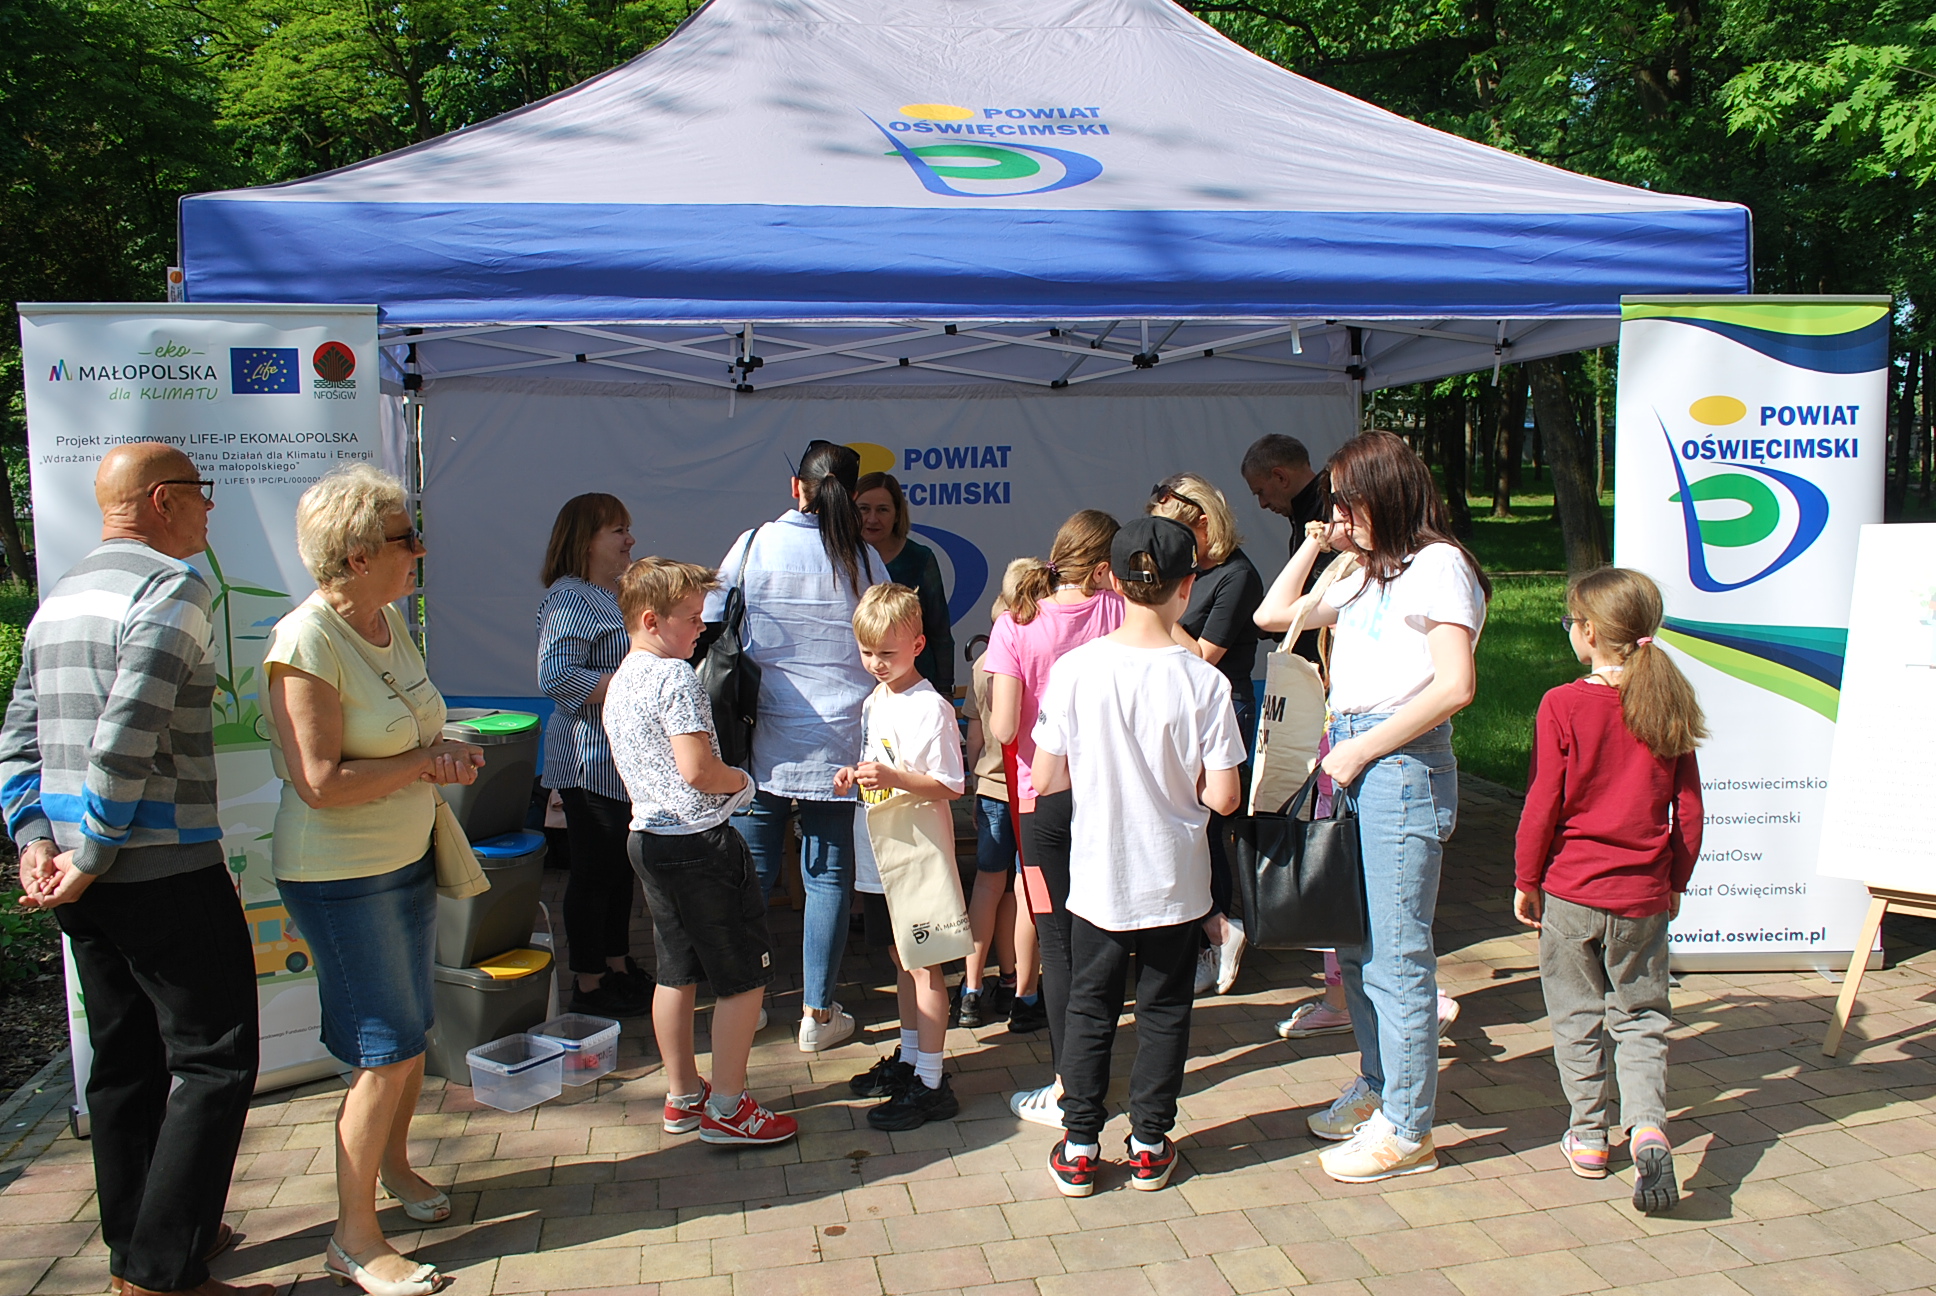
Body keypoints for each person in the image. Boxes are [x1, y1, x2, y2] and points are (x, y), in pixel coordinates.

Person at [0, 444, 268, 1296]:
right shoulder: (171, 588)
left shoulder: (60, 597)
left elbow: (17, 738)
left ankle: (144, 1242)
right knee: (216, 1059)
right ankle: (158, 1273)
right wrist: (89, 852)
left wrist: (36, 841)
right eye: (200, 493)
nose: (209, 508)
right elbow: (128, 736)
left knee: (125, 1061)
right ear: (161, 500)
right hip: (156, 869)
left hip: (82, 877)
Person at [264, 464, 483, 1294]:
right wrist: (426, 761)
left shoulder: (387, 620)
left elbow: (409, 732)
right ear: (357, 555)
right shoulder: (306, 641)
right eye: (404, 537)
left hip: (402, 856)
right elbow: (319, 782)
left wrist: (440, 750)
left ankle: (393, 1170)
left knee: (409, 1033)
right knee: (384, 1051)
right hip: (341, 876)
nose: (419, 550)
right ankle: (353, 1239)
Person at [1292, 430, 1489, 1184]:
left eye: (1349, 501)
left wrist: (1362, 749)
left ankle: (1408, 1128)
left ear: (1388, 493)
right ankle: (1380, 1089)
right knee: (1356, 944)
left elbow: (1456, 685)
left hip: (1398, 764)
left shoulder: (1440, 566)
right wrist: (1324, 548)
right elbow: (1278, 615)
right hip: (1354, 753)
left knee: (1397, 954)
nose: (1338, 515)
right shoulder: (1368, 570)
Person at [1032, 516, 1246, 1196]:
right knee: (1164, 1008)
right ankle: (1150, 1143)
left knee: (1090, 1007)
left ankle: (1079, 1145)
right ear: (1189, 587)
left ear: (1114, 583)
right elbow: (1225, 796)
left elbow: (1045, 778)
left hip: (1100, 873)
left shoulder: (1075, 670)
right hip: (1176, 875)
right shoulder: (1204, 683)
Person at [1514, 567, 1704, 1214]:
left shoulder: (1562, 704)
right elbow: (1690, 811)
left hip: (1572, 892)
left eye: (1571, 622)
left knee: (1576, 1016)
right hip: (1643, 895)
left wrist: (1527, 878)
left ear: (1590, 632)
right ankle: (1647, 1127)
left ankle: (1590, 1137)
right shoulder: (1667, 699)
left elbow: (1543, 802)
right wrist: (1675, 880)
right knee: (1642, 1017)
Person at [603, 557, 795, 1147]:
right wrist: (743, 782)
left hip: (648, 839)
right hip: (699, 841)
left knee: (676, 971)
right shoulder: (674, 678)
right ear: (651, 620)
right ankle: (730, 1107)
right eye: (690, 618)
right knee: (743, 978)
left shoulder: (621, 678)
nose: (701, 628)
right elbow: (698, 770)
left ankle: (683, 1094)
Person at [710, 440, 889, 1052]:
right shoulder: (864, 558)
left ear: (797, 488)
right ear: (851, 494)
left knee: (753, 873)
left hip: (760, 734)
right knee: (829, 876)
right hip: (841, 738)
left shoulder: (754, 545)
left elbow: (711, 617)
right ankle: (818, 1013)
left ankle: (746, 1005)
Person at [982, 511, 1122, 1127]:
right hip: (1109, 795)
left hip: (1037, 800)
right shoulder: (1120, 611)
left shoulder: (1016, 622)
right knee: (1104, 932)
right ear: (1104, 565)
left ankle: (1070, 1082)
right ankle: (1092, 1071)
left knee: (1056, 940)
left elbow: (1003, 727)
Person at [837, 585, 966, 1130]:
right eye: (867, 652)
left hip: (918, 855)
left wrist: (893, 778)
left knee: (925, 966)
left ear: (917, 645)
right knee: (901, 960)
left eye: (886, 653)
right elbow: (878, 761)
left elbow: (951, 784)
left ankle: (931, 1080)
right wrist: (856, 774)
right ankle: (911, 1059)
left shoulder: (932, 707)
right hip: (880, 852)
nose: (875, 663)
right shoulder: (876, 699)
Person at [537, 493, 651, 1019]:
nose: (630, 539)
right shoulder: (570, 598)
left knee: (620, 871)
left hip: (618, 760)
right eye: (618, 530)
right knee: (594, 874)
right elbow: (557, 676)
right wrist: (634, 683)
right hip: (589, 761)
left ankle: (617, 965)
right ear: (585, 540)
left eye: (628, 528)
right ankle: (588, 981)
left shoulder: (613, 594)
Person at [1148, 473, 1262, 996]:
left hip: (1221, 711)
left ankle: (1214, 940)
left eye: (1175, 530)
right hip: (1180, 711)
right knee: (1185, 827)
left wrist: (1155, 607)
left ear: (1202, 520)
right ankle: (1210, 932)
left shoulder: (1237, 576)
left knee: (1210, 829)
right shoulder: (1190, 571)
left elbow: (1203, 657)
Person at [956, 563, 1037, 1028]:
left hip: (991, 789)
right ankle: (1024, 990)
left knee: (988, 888)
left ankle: (971, 988)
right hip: (1033, 789)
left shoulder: (983, 663)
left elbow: (974, 737)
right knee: (1027, 890)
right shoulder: (1041, 651)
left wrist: (976, 783)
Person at [855, 472, 955, 697]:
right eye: (864, 509)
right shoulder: (842, 558)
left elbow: (939, 632)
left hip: (914, 689)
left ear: (897, 514)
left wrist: (945, 690)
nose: (872, 518)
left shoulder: (920, 559)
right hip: (859, 687)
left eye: (882, 510)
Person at [1241, 434, 1334, 662]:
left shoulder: (1328, 513)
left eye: (1261, 492)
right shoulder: (1307, 512)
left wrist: (1274, 620)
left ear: (1280, 477)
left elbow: (1320, 594)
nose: (1262, 504)